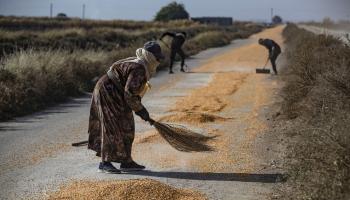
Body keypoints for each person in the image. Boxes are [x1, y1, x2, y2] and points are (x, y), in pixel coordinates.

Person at [87, 41, 164, 174]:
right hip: (107, 91)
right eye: (157, 57)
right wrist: (142, 111)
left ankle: (126, 161)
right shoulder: (139, 68)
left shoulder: (142, 65)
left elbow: (131, 93)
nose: (158, 60)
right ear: (149, 56)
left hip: (117, 92)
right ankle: (104, 163)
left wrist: (139, 108)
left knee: (127, 126)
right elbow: (130, 94)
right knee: (111, 126)